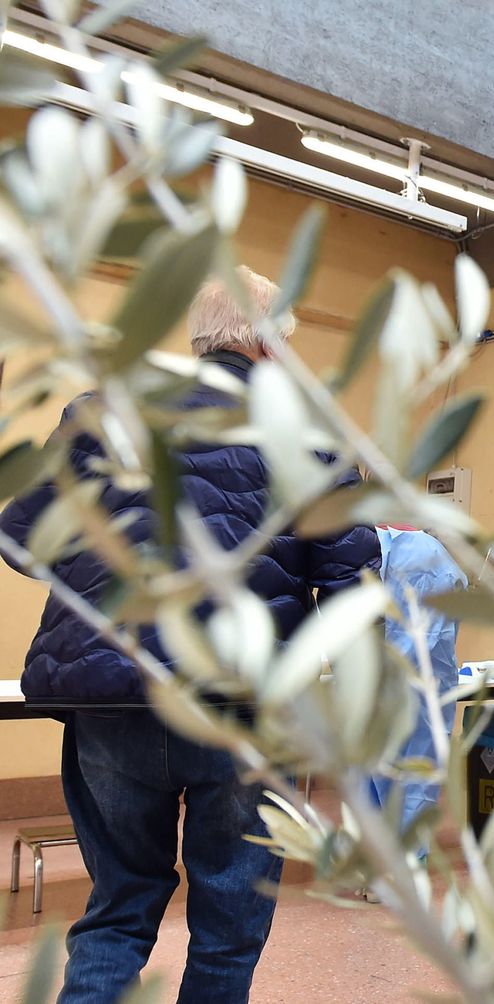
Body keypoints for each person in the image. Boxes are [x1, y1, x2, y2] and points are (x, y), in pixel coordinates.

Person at [0, 266, 379, 1004]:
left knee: (118, 908)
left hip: (114, 701)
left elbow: (19, 540)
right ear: (267, 345)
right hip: (242, 710)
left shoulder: (101, 412)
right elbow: (350, 590)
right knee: (229, 924)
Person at [368, 522, 466, 834]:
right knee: (395, 774)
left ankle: (402, 864)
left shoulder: (416, 555)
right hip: (417, 682)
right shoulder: (403, 548)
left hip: (414, 684)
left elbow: (412, 639)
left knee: (405, 774)